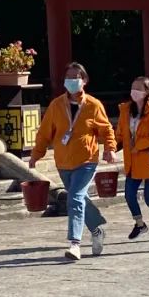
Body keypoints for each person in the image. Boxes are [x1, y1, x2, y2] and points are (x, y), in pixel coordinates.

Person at [29, 62, 116, 261]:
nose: (71, 80)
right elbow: (44, 133)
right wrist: (36, 154)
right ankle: (97, 230)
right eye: (68, 77)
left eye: (76, 77)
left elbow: (106, 129)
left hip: (86, 160)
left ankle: (75, 243)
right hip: (63, 162)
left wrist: (110, 149)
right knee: (78, 198)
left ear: (84, 80)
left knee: (75, 198)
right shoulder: (56, 105)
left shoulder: (93, 105)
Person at [116, 76, 149, 242]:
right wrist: (111, 147)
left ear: (147, 92)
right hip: (132, 160)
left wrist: (140, 144)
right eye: (133, 87)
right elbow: (120, 134)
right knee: (129, 195)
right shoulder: (125, 110)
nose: (134, 91)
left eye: (139, 88)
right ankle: (139, 224)